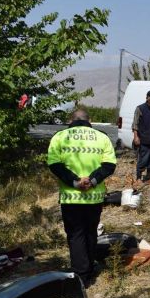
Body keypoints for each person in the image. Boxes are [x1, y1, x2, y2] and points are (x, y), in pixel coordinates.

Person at [47, 109, 116, 286]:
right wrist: (92, 181)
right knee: (90, 232)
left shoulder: (60, 136)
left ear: (71, 120)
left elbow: (54, 165)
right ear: (89, 120)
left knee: (76, 234)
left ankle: (81, 276)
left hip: (71, 197)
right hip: (94, 197)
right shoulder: (102, 137)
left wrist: (75, 182)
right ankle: (89, 269)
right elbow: (109, 165)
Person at [131, 90, 150, 183]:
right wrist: (136, 137)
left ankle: (148, 176)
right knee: (143, 160)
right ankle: (138, 178)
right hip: (143, 139)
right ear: (148, 98)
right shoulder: (140, 108)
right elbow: (135, 124)